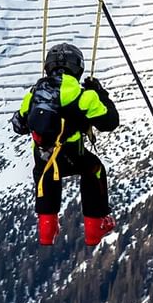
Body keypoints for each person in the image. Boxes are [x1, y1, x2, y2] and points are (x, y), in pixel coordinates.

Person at [11, 43, 120, 245]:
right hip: (72, 155)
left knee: (45, 175)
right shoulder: (84, 96)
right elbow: (110, 122)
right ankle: (95, 227)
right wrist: (100, 92)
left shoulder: (34, 95)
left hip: (44, 157)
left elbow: (19, 125)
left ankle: (47, 229)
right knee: (94, 169)